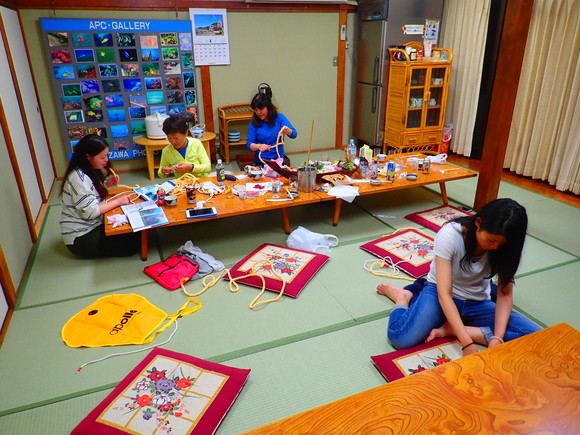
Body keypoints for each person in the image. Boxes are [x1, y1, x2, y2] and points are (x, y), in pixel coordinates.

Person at [376, 198, 541, 356]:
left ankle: (453, 328)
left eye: (502, 243)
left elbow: (504, 293)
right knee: (401, 339)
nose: (496, 247)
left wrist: (497, 338)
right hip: (439, 293)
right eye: (491, 240)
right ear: (478, 223)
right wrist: (467, 343)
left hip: (477, 300)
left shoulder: (507, 247)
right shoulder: (450, 235)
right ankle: (403, 298)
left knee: (536, 336)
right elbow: (444, 293)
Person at [60, 134, 139, 258]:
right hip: (81, 236)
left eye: (107, 156)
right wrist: (118, 201)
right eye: (102, 157)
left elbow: (91, 195)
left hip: (92, 225)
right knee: (133, 243)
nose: (106, 160)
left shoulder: (88, 170)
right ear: (88, 157)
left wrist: (106, 184)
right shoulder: (78, 178)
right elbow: (91, 212)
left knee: (136, 230)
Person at [246, 92, 297, 166]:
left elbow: (294, 134)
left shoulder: (279, 118)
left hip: (278, 161)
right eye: (256, 110)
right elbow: (249, 144)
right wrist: (259, 146)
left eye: (261, 109)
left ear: (268, 107)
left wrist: (288, 131)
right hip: (260, 162)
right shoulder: (254, 123)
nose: (258, 112)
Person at [158, 114, 211, 178]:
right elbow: (160, 174)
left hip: (201, 181)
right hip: (182, 184)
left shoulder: (196, 143)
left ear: (186, 133)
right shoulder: (166, 151)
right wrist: (163, 171)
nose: (173, 141)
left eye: (176, 138)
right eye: (169, 138)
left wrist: (190, 167)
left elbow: (208, 167)